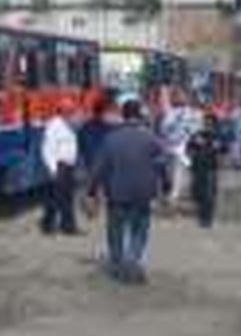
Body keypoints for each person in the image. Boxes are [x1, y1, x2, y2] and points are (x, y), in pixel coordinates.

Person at [87, 99, 164, 283]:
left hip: (117, 193)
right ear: (140, 114)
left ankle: (117, 264)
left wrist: (92, 190)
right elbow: (161, 165)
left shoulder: (111, 138)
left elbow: (100, 168)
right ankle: (133, 260)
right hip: (143, 193)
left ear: (123, 115)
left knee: (115, 230)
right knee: (140, 229)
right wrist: (166, 186)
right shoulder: (151, 138)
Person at [40, 100, 79, 235]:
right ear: (62, 110)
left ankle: (67, 226)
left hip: (69, 166)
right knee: (56, 199)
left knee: (66, 197)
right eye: (70, 110)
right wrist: (53, 169)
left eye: (72, 109)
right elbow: (47, 150)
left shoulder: (69, 124)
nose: (72, 112)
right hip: (59, 166)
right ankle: (48, 225)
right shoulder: (54, 126)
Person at [186, 112, 221, 228]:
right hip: (198, 167)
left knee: (210, 195)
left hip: (211, 167)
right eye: (206, 123)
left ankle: (208, 219)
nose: (208, 125)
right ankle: (201, 218)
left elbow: (225, 148)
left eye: (210, 123)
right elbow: (188, 148)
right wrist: (195, 144)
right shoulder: (197, 135)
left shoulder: (217, 135)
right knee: (199, 194)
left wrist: (219, 146)